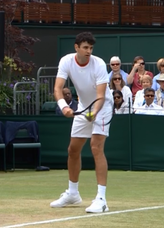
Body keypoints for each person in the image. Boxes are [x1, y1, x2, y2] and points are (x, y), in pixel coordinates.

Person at [51, 32, 113, 213]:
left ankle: (101, 199)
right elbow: (57, 88)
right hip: (84, 107)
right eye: (85, 47)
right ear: (76, 47)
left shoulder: (99, 63)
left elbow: (101, 96)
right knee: (73, 150)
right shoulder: (66, 61)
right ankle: (72, 193)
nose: (88, 51)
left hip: (103, 107)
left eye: (91, 48)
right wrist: (64, 107)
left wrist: (94, 112)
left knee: (96, 147)